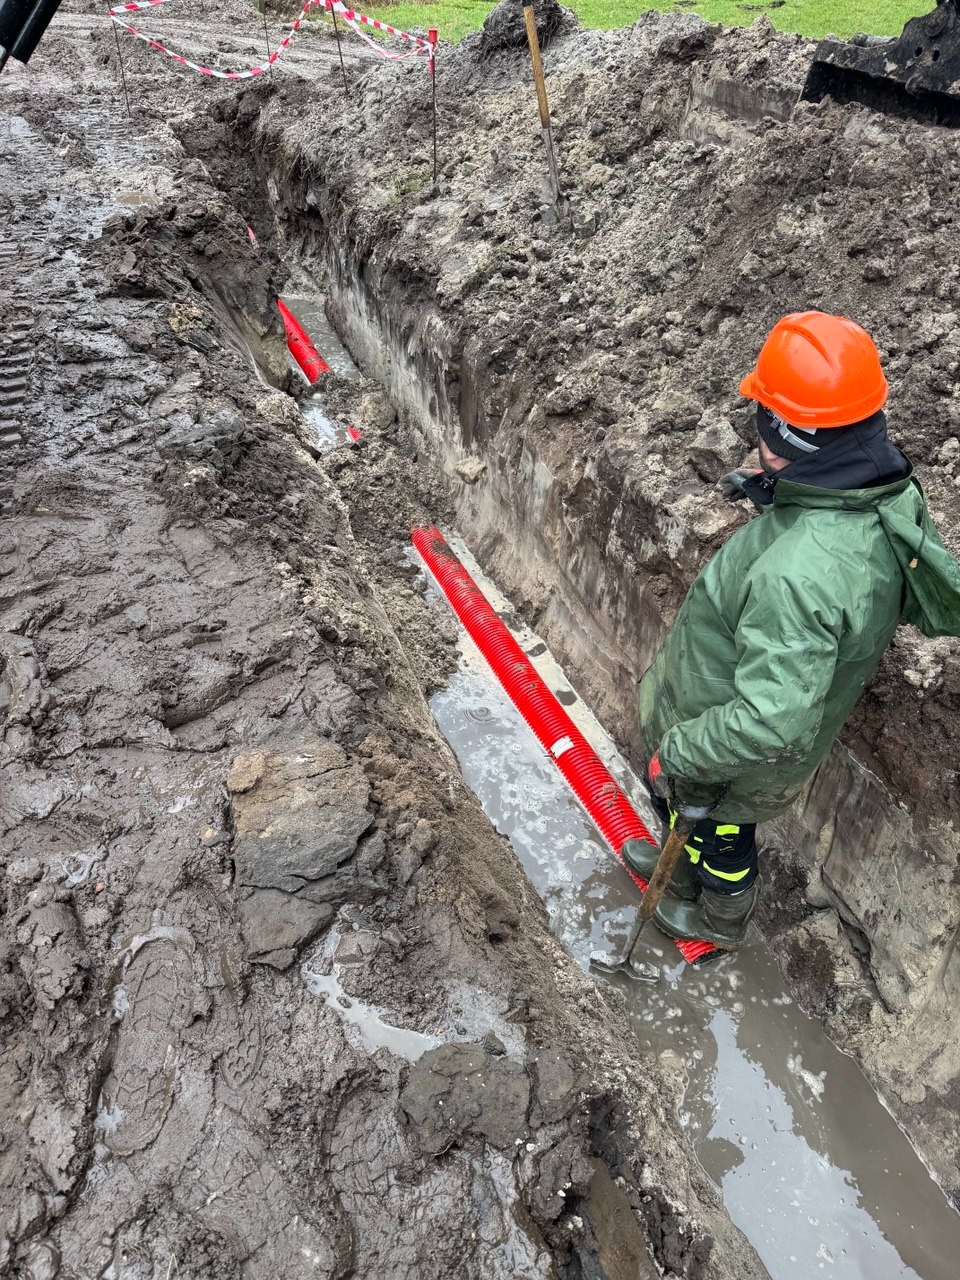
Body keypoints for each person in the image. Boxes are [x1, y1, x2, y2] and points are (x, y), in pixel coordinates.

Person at [621, 311, 960, 951]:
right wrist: (777, 490)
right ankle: (679, 879)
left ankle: (720, 918)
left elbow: (767, 719)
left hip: (725, 747)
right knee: (687, 812)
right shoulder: (878, 492)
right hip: (720, 716)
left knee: (722, 831)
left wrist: (684, 748)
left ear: (787, 438)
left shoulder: (795, 578)